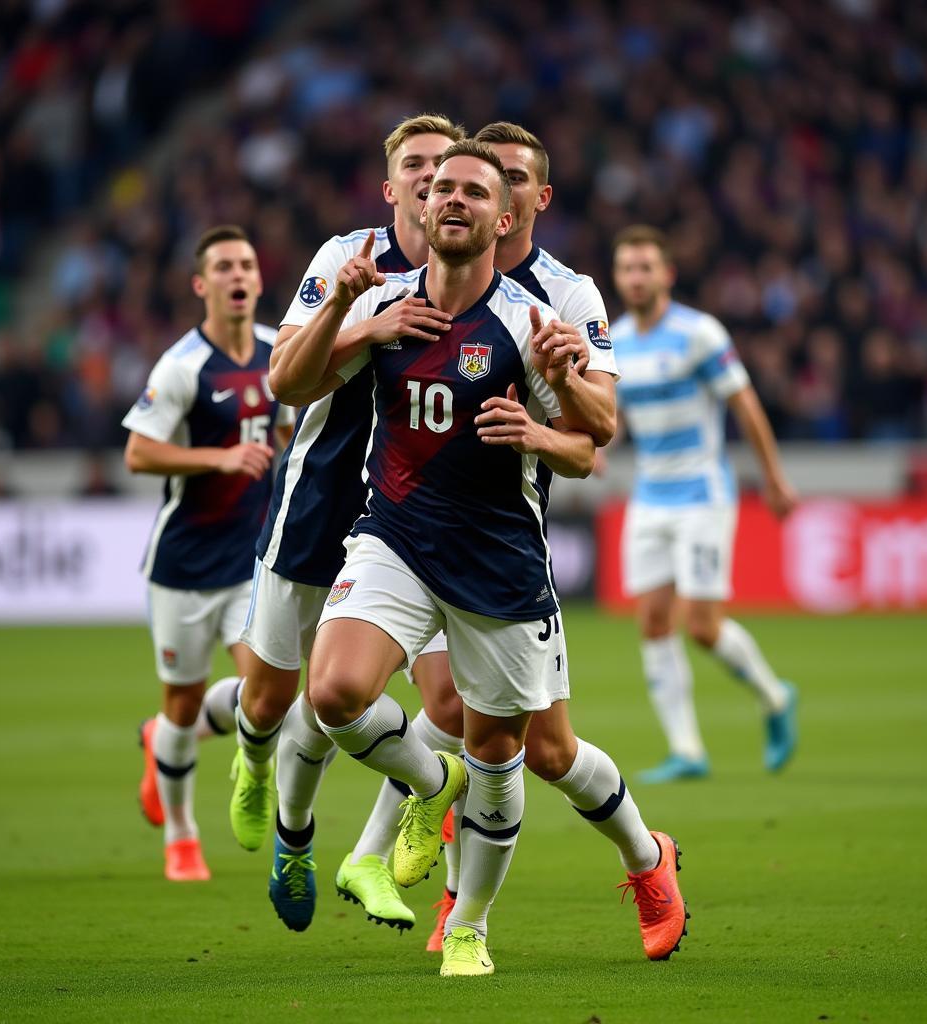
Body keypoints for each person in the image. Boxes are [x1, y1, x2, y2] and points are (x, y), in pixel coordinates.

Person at [273, 139, 682, 978]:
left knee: (532, 753)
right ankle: (431, 790)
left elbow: (594, 438)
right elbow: (289, 384)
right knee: (337, 692)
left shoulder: (547, 307)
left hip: (498, 554)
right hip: (393, 535)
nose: (450, 198)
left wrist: (549, 409)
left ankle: (488, 918)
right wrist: (350, 315)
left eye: (481, 188)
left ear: (518, 209)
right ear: (417, 206)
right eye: (441, 187)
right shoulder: (385, 298)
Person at [225, 115, 464, 928]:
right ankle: (273, 794)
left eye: (446, 164)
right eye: (416, 165)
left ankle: (371, 853)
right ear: (391, 185)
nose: (433, 177)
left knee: (451, 706)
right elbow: (286, 378)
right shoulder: (346, 258)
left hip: (411, 520)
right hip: (320, 503)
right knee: (271, 701)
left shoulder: (472, 273)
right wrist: (365, 319)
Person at [122, 224, 292, 881]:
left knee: (270, 691)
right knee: (182, 705)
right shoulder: (182, 366)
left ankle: (192, 767)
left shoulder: (281, 351)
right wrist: (219, 457)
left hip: (252, 559)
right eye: (223, 266)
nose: (238, 275)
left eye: (246, 263)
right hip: (184, 567)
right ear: (202, 285)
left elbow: (286, 428)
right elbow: (139, 451)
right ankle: (182, 835)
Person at [609, 224, 799, 783]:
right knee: (652, 622)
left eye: (646, 267)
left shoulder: (700, 334)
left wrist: (774, 478)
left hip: (701, 494)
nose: (636, 278)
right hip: (649, 497)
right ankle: (687, 749)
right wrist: (596, 449)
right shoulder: (615, 339)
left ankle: (774, 696)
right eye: (627, 268)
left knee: (702, 626)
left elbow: (746, 407)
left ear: (667, 274)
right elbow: (615, 422)